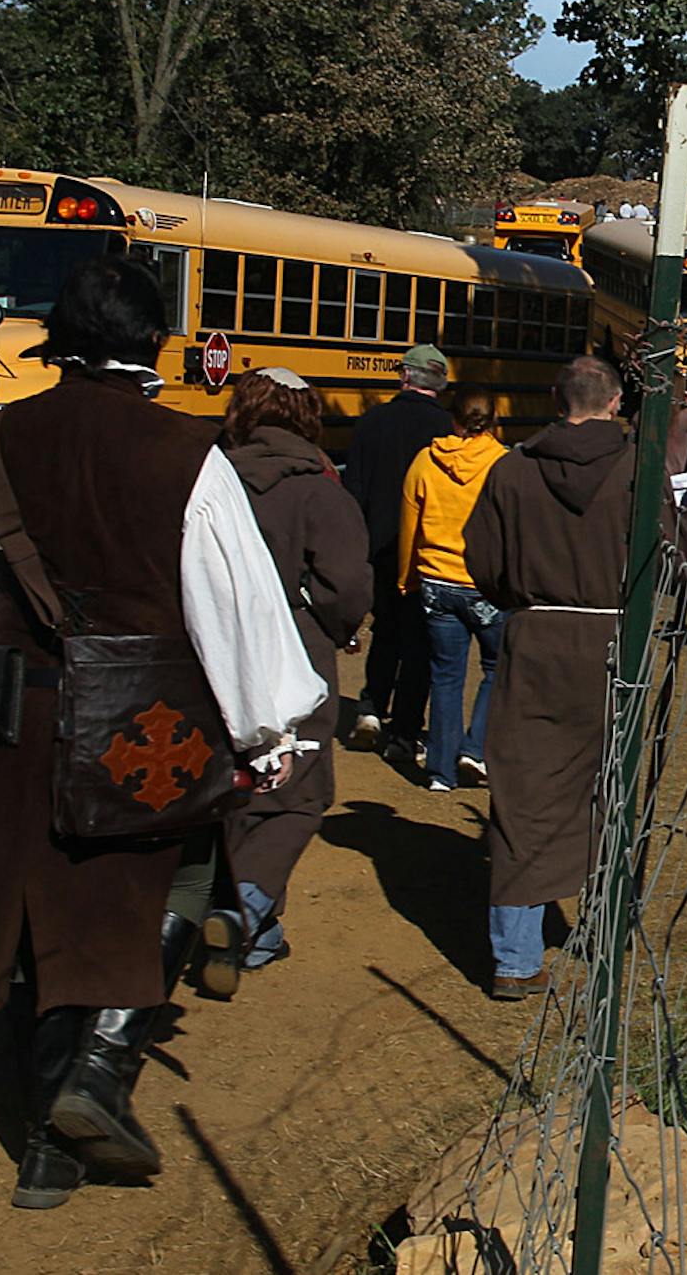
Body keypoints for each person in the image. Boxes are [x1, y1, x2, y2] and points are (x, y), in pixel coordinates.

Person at [0, 256, 324, 1209]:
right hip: (152, 728)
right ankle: (82, 1103)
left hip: (20, 719)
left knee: (33, 917)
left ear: (60, 338)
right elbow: (231, 605)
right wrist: (268, 729)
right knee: (143, 904)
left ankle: (48, 1145)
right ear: (153, 342)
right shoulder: (187, 454)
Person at [465, 356, 687, 999]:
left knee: (524, 791)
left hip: (535, 642)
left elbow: (485, 565)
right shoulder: (640, 471)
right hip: (617, 640)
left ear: (558, 401)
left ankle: (514, 959)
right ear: (614, 405)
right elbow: (672, 568)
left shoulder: (510, 470)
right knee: (615, 782)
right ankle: (605, 928)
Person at [214, 368, 374, 984]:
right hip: (295, 652)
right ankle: (245, 909)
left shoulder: (208, 479)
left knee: (229, 785)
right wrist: (339, 625)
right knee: (297, 791)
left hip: (212, 648)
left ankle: (257, 929)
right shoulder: (318, 489)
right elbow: (344, 586)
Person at [341, 344, 454, 758]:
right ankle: (405, 732)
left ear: (405, 377)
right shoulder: (449, 429)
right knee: (420, 642)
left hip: (380, 543)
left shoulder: (372, 422)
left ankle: (370, 707)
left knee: (385, 629)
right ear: (439, 383)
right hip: (429, 550)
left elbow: (355, 490)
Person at [398, 385, 509, 793]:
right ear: (494, 418)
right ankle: (475, 748)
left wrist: (407, 578)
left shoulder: (425, 461)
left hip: (435, 582)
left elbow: (410, 523)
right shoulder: (503, 464)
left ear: (453, 418)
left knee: (445, 676)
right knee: (498, 666)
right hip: (485, 585)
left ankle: (440, 771)